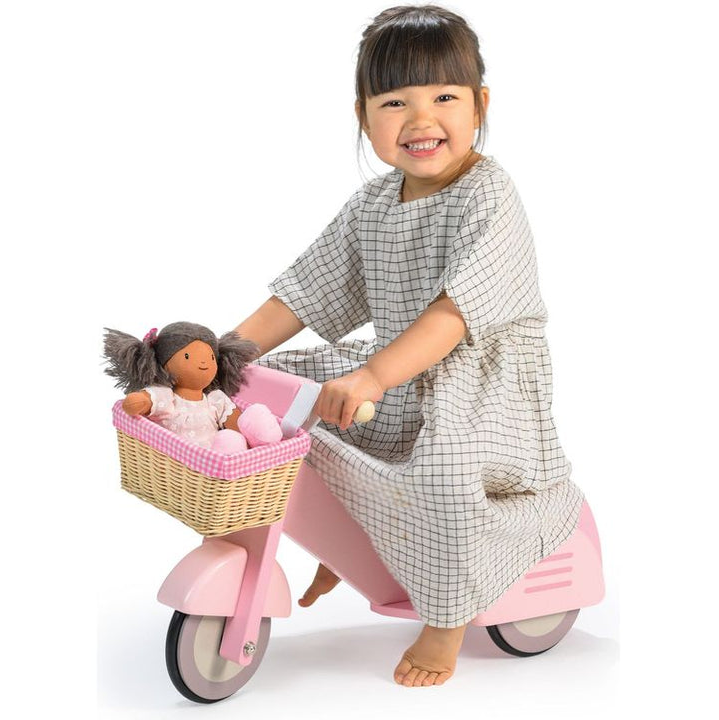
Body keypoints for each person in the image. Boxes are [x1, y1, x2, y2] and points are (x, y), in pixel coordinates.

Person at [234, 4, 584, 688]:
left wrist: (372, 376)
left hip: (484, 392)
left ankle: (447, 617)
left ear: (480, 105)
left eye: (444, 98)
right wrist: (225, 354)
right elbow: (302, 295)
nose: (422, 120)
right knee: (282, 391)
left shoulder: (489, 196)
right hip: (397, 373)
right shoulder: (373, 204)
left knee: (444, 470)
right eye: (395, 102)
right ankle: (348, 539)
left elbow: (453, 317)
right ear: (364, 117)